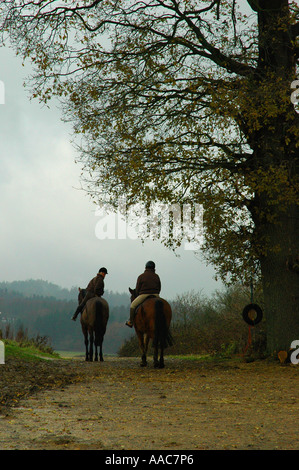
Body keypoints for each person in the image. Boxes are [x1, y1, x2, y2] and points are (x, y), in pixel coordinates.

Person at [125, 261, 161, 327]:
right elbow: (159, 288)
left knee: (132, 306)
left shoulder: (141, 276)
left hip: (144, 295)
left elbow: (137, 289)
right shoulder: (157, 276)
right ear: (154, 268)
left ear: (145, 268)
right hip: (156, 295)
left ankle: (130, 321)